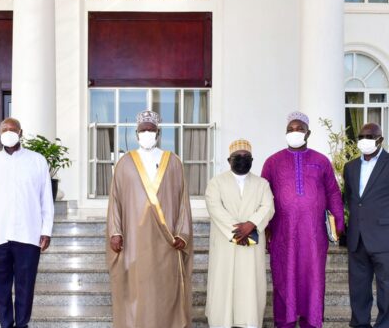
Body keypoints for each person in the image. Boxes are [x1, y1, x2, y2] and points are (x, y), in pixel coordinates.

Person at [106, 110, 193, 328]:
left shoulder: (173, 162)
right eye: (143, 130)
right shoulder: (124, 163)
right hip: (134, 241)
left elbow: (183, 202)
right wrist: (115, 232)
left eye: (151, 130)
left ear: (158, 133)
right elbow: (114, 201)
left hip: (167, 241)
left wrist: (182, 233)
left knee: (164, 290)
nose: (147, 133)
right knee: (136, 291)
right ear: (136, 134)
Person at [261, 111, 345, 328]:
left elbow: (333, 192)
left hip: (313, 235)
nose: (295, 133)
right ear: (285, 133)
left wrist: (338, 224)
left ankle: (311, 321)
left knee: (313, 278)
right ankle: (285, 322)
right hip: (283, 234)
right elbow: (262, 196)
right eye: (291, 129)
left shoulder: (321, 161)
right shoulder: (272, 162)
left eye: (299, 129)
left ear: (309, 133)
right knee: (284, 278)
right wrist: (265, 228)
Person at [0, 118, 54, 328]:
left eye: (12, 129)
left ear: (21, 132)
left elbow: (46, 199)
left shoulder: (37, 161)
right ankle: (6, 324)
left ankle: (22, 324)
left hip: (28, 234)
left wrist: (46, 230)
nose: (8, 132)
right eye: (4, 130)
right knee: (1, 288)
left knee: (26, 287)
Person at [344, 123, 389, 328]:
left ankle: (384, 325)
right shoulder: (350, 167)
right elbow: (351, 199)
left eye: (370, 135)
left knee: (387, 290)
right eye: (361, 136)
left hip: (387, 239)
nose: (365, 139)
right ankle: (360, 324)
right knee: (358, 289)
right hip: (358, 240)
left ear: (380, 139)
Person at [205, 139, 275, 328]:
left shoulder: (262, 184)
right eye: (238, 156)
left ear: (252, 160)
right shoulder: (216, 182)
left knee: (250, 286)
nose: (242, 159)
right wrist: (238, 232)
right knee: (223, 283)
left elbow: (268, 206)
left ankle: (250, 322)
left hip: (252, 243)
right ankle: (222, 322)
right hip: (225, 243)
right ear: (229, 160)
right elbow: (214, 208)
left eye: (246, 156)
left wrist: (251, 224)